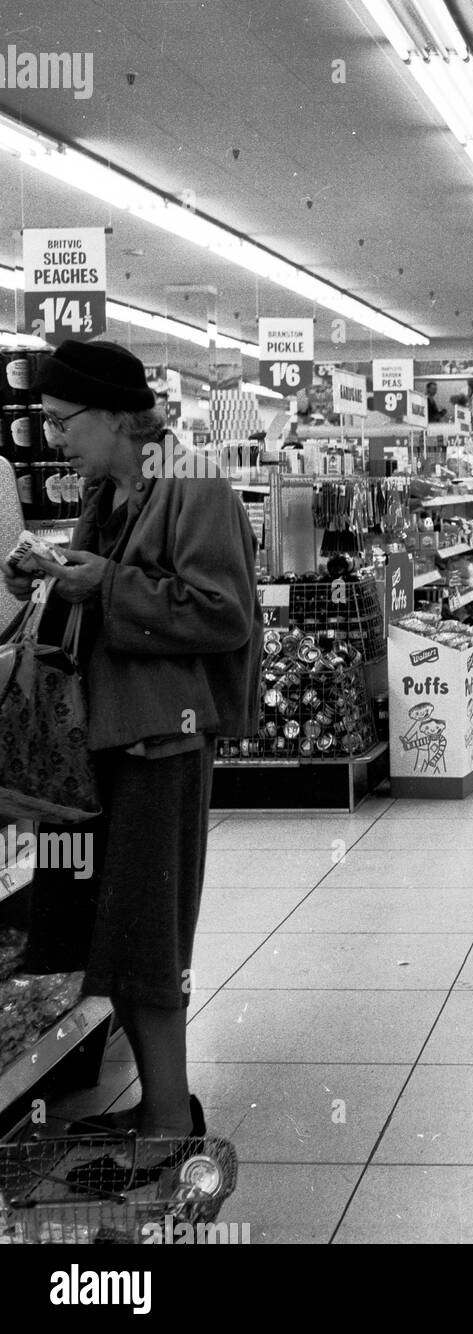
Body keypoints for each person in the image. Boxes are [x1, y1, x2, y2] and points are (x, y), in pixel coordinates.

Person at [2, 339, 262, 1175]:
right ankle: (161, 1107)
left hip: (161, 742)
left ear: (120, 416)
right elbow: (99, 594)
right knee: (117, 937)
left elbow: (222, 614)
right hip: (102, 743)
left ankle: (165, 1125)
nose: (53, 439)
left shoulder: (196, 487)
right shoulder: (106, 492)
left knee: (148, 939)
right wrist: (40, 581)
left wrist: (101, 583)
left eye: (63, 421)